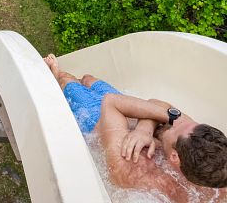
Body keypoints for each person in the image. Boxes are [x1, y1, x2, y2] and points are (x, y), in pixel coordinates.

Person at [44, 54, 227, 202]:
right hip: (131, 108)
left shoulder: (136, 168)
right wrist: (144, 130)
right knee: (89, 79)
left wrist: (151, 125)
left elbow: (110, 101)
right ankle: (82, 80)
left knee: (67, 81)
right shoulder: (211, 164)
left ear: (174, 157)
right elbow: (161, 106)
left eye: (174, 125)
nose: (176, 119)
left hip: (96, 118)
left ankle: (55, 73)